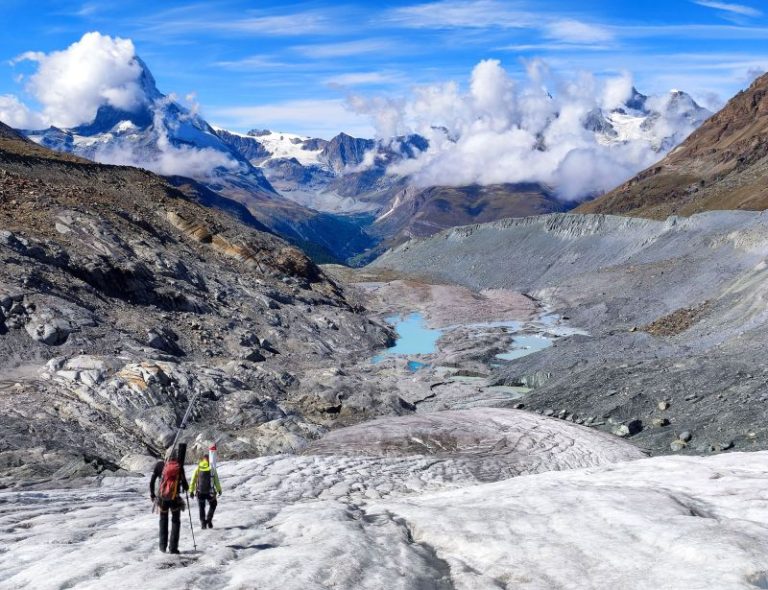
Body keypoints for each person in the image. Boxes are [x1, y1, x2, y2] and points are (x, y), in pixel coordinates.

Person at [150, 445, 189, 554]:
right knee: (175, 521)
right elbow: (185, 485)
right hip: (174, 498)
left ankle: (162, 546)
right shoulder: (179, 467)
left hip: (162, 499)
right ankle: (173, 548)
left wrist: (152, 495)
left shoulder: (159, 465)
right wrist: (185, 488)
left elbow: (152, 481)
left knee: (163, 520)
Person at [189, 453, 222, 529]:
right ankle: (209, 519)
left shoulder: (198, 468)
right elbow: (216, 480)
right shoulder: (211, 468)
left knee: (201, 507)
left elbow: (193, 480)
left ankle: (203, 522)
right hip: (210, 492)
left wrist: (191, 491)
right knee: (213, 504)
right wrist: (219, 489)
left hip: (200, 492)